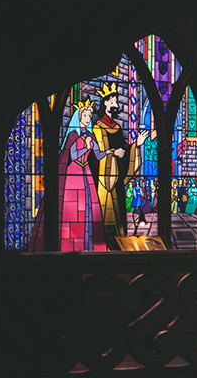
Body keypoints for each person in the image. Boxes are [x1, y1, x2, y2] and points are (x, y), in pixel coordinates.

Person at [29, 99, 110, 251]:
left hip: (86, 173)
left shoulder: (91, 136)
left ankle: (89, 245)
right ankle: (72, 244)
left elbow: (98, 155)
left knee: (89, 208)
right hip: (74, 174)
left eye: (90, 116)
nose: (88, 119)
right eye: (85, 115)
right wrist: (86, 148)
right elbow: (73, 155)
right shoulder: (73, 135)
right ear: (79, 117)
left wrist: (112, 151)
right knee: (74, 210)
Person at [90, 82, 149, 237]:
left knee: (119, 218)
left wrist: (137, 145)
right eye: (112, 101)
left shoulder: (117, 127)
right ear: (105, 103)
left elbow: (124, 149)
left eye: (116, 101)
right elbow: (98, 154)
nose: (116, 104)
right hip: (104, 179)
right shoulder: (98, 128)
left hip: (117, 178)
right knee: (105, 216)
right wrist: (113, 153)